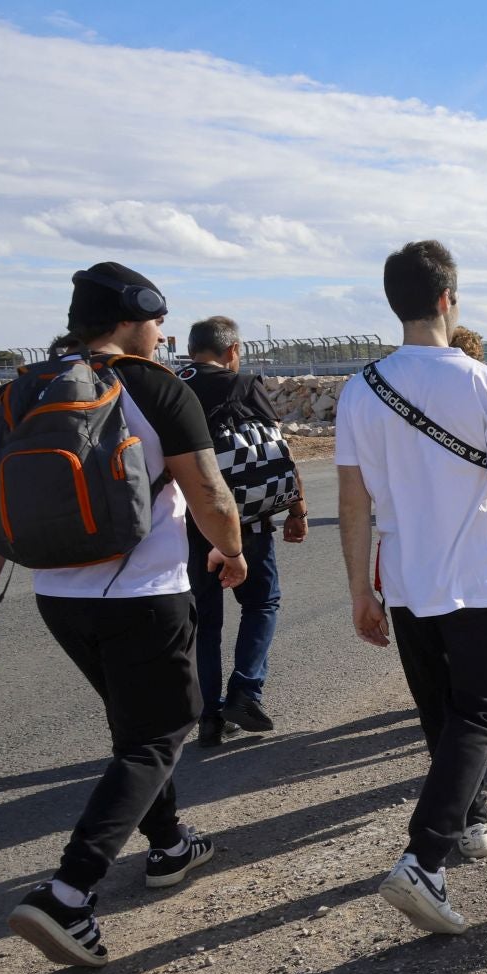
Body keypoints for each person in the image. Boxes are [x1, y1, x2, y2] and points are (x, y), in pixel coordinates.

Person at [0, 263, 243, 968]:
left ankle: (170, 844)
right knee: (158, 734)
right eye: (159, 319)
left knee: (134, 728)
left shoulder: (16, 395)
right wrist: (233, 553)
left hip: (59, 602)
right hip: (144, 594)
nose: (163, 332)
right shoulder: (154, 386)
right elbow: (209, 492)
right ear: (134, 317)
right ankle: (69, 892)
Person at [335, 240, 487, 936]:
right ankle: (424, 857)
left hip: (404, 582)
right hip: (479, 579)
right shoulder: (483, 384)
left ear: (395, 303)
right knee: (478, 716)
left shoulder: (360, 389)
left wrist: (360, 590)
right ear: (448, 299)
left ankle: (464, 825)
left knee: (440, 715)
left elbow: (354, 501)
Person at [177, 316, 308, 747]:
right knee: (262, 603)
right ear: (232, 350)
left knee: (206, 621)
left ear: (193, 349)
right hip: (243, 520)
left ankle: (210, 717)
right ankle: (245, 692)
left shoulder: (171, 387)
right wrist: (296, 509)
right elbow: (277, 450)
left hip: (188, 524)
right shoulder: (243, 384)